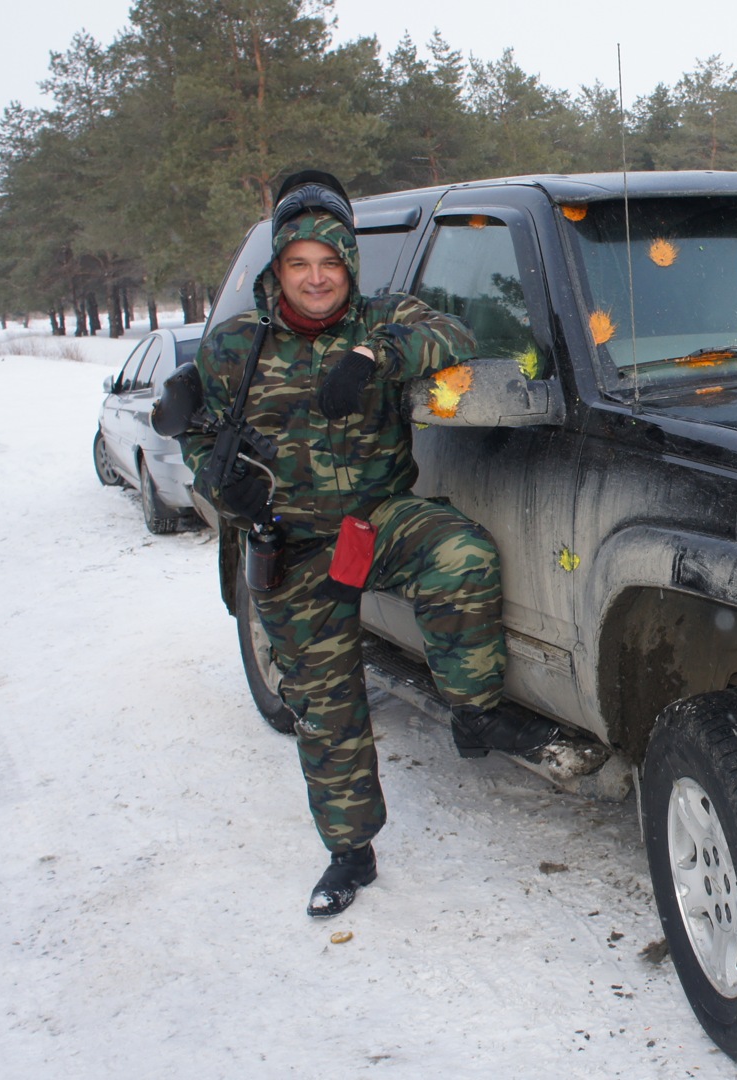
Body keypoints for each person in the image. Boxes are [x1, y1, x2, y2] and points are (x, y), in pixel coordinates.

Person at [160, 170, 555, 917]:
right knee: (326, 708)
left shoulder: (382, 319)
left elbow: (456, 334)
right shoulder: (235, 350)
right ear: (279, 271)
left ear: (349, 267)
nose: (316, 279)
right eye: (300, 264)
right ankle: (350, 853)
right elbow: (201, 440)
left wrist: (374, 358)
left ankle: (473, 713)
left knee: (460, 555)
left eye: (330, 264)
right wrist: (225, 489)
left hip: (375, 523)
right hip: (295, 544)